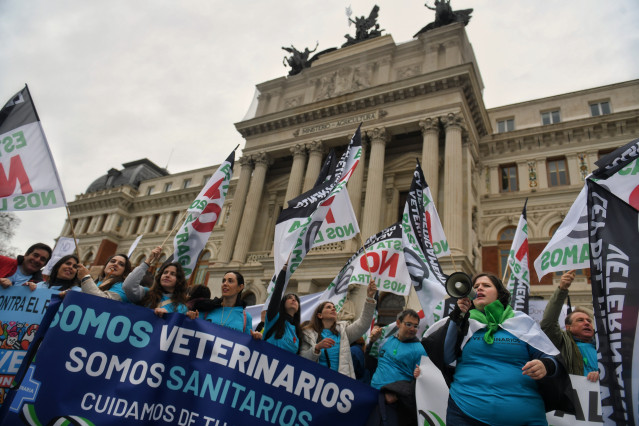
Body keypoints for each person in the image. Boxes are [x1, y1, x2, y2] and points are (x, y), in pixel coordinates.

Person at [423, 273, 571, 426]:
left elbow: (550, 356)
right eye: (475, 287)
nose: (479, 288)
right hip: (465, 413)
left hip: (524, 416)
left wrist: (545, 365)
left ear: (499, 294)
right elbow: (446, 357)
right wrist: (457, 317)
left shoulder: (521, 321)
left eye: (486, 285)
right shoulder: (464, 322)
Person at [300, 279, 377, 378]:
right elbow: (302, 358)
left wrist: (370, 298)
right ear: (319, 315)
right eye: (328, 307)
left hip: (339, 384)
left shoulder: (343, 332)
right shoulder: (307, 334)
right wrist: (317, 348)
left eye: (334, 308)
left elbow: (363, 323)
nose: (333, 309)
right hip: (315, 381)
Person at [368, 309, 426, 426]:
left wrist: (396, 395)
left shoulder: (420, 350)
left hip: (392, 403)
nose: (412, 329)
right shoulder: (387, 339)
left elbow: (420, 383)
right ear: (398, 323)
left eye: (415, 326)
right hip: (372, 394)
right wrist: (371, 343)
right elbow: (370, 362)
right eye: (408, 324)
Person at [540, 269, 598, 382]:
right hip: (575, 396)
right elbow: (548, 322)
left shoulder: (604, 345)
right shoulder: (563, 343)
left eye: (589, 321)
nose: (586, 323)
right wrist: (562, 289)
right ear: (568, 327)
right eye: (580, 320)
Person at [123, 246, 188, 317]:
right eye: (165, 272)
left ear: (179, 280)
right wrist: (148, 261)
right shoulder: (146, 293)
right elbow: (128, 286)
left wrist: (169, 316)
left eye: (173, 274)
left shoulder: (181, 308)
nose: (167, 275)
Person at [187, 271, 253, 335]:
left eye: (230, 281)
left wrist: (256, 338)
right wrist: (190, 319)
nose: (225, 284)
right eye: (223, 281)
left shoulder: (246, 317)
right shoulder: (207, 309)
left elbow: (248, 343)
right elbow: (193, 331)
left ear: (240, 287)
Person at [261, 266, 302, 354]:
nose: (294, 300)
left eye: (296, 299)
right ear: (282, 303)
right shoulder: (274, 319)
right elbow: (277, 292)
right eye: (289, 298)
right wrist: (284, 270)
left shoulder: (298, 331)